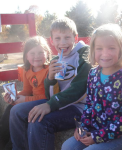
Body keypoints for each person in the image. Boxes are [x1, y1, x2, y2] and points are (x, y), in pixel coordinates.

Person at [9, 17, 92, 150]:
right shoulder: (55, 59)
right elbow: (51, 94)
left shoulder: (84, 53)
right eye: (57, 38)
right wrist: (51, 79)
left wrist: (50, 105)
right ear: (52, 40)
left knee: (39, 120)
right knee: (16, 111)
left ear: (75, 38)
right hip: (60, 104)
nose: (62, 42)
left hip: (79, 108)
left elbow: (79, 88)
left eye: (67, 37)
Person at [62, 23, 122, 150]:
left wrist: (97, 137)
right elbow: (89, 105)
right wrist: (83, 128)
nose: (105, 53)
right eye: (99, 48)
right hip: (95, 130)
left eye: (111, 48)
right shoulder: (93, 74)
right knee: (67, 146)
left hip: (121, 136)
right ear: (93, 50)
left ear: (120, 49)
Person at [0, 36, 51, 150]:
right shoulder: (27, 69)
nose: (37, 56)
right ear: (26, 55)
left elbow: (48, 97)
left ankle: (10, 146)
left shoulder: (49, 70)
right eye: (32, 53)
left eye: (41, 52)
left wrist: (25, 100)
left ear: (47, 53)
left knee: (18, 111)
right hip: (33, 100)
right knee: (11, 107)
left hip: (44, 103)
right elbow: (27, 91)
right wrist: (14, 97)